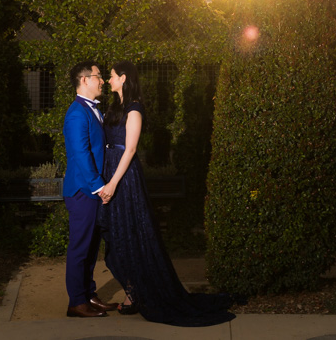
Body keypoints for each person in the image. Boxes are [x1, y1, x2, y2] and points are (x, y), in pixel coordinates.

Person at [98, 60, 236, 326]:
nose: (108, 79)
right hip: (111, 171)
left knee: (132, 233)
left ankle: (134, 294)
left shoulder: (135, 109)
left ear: (124, 78)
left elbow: (130, 150)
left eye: (112, 75)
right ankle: (131, 291)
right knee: (118, 233)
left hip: (124, 179)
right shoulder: (115, 107)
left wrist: (113, 183)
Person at [62, 60, 119, 318]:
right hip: (83, 191)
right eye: (97, 76)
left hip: (92, 190)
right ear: (84, 80)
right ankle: (76, 302)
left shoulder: (92, 110)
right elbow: (81, 154)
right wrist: (99, 187)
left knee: (91, 247)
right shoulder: (76, 113)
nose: (102, 80)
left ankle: (88, 294)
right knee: (80, 247)